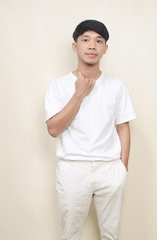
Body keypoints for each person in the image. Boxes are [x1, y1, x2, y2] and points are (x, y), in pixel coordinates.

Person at [45, 19, 136, 240]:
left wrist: (121, 169)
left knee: (111, 234)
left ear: (105, 49)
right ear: (75, 46)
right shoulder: (58, 86)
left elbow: (123, 127)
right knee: (70, 234)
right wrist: (79, 94)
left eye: (99, 41)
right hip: (73, 168)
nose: (92, 46)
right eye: (85, 40)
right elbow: (53, 129)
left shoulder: (116, 86)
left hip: (110, 168)